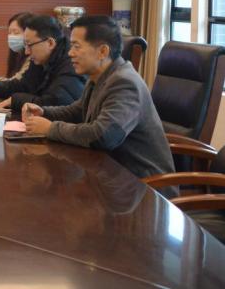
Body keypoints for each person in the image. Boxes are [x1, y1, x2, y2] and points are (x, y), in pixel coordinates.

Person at [22, 15, 176, 196]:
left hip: (144, 189)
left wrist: (50, 129)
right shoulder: (100, 75)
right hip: (112, 179)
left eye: (76, 46)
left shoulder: (125, 83)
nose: (70, 53)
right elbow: (78, 110)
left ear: (103, 51)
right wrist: (44, 112)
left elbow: (103, 136)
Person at [0, 14, 84, 115]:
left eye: (29, 45)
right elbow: (23, 85)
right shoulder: (42, 58)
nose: (26, 52)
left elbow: (56, 103)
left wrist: (16, 100)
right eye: (25, 45)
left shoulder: (71, 64)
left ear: (50, 43)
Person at [5, 11, 33, 79]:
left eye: (16, 33)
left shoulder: (34, 59)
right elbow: (11, 81)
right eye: (9, 33)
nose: (11, 36)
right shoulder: (17, 56)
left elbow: (17, 82)